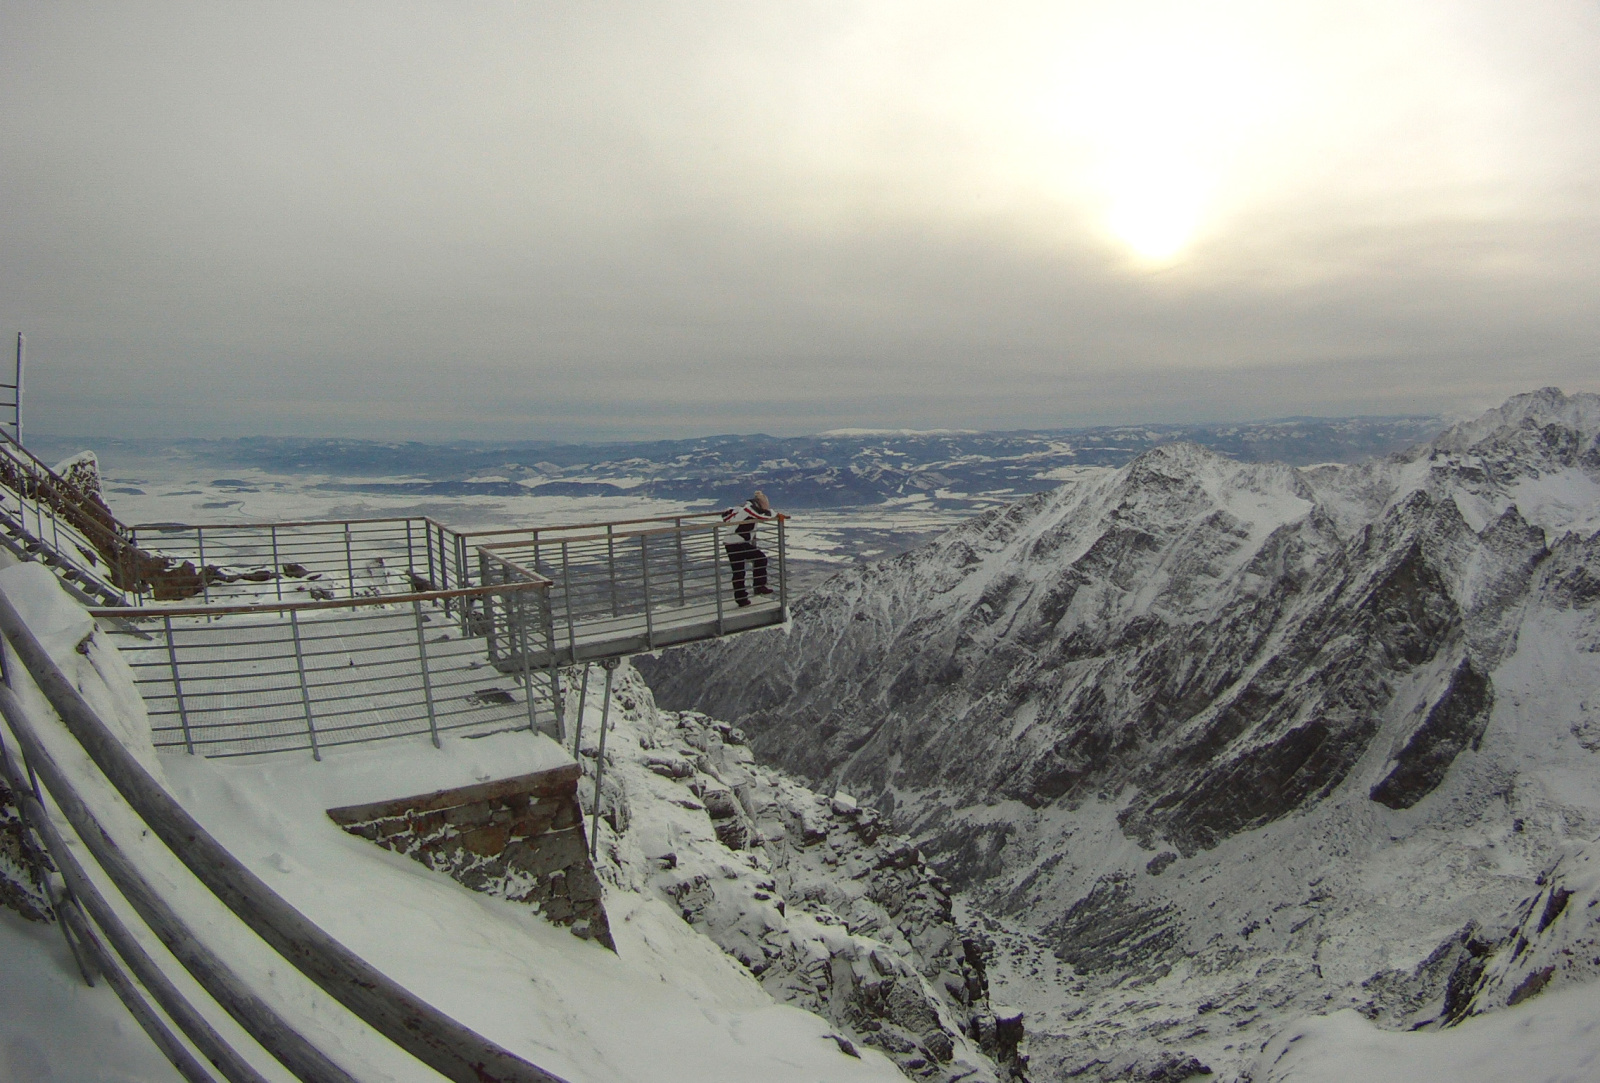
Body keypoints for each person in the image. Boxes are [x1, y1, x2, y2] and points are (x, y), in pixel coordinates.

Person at [721, 490, 779, 606]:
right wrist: (774, 514)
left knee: (739, 571)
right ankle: (758, 586)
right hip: (737, 543)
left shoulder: (742, 508)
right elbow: (763, 516)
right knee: (759, 559)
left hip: (733, 542)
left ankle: (742, 598)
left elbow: (726, 517)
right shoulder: (750, 509)